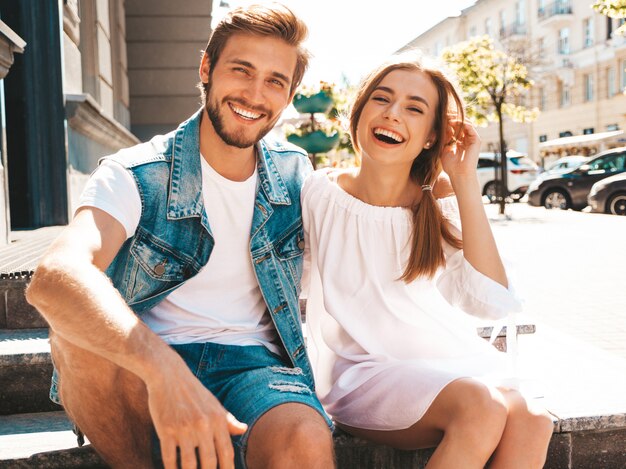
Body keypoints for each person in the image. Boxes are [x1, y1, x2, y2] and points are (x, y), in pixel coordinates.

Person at [26, 4, 335, 469]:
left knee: (303, 435)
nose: (255, 93)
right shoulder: (136, 175)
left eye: (275, 80)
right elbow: (53, 276)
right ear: (206, 68)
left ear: (289, 95)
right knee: (75, 332)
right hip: (140, 370)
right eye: (241, 70)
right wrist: (163, 368)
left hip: (256, 370)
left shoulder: (294, 174)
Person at [301, 54, 554, 468]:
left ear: (432, 136)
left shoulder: (434, 201)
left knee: (533, 418)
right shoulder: (318, 194)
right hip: (364, 374)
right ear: (359, 111)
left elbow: (490, 301)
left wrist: (463, 179)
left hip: (447, 362)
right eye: (381, 99)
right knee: (482, 407)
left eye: (414, 108)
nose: (393, 114)